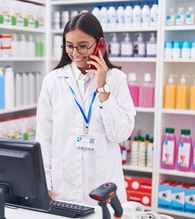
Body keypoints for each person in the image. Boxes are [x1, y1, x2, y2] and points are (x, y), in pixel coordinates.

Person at [35, 12, 136, 206]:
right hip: (62, 189)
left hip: (103, 187)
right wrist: (45, 184)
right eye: (70, 46)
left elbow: (120, 134)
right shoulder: (53, 81)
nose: (75, 53)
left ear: (100, 44)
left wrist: (103, 87)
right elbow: (44, 140)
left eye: (83, 46)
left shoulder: (116, 80)